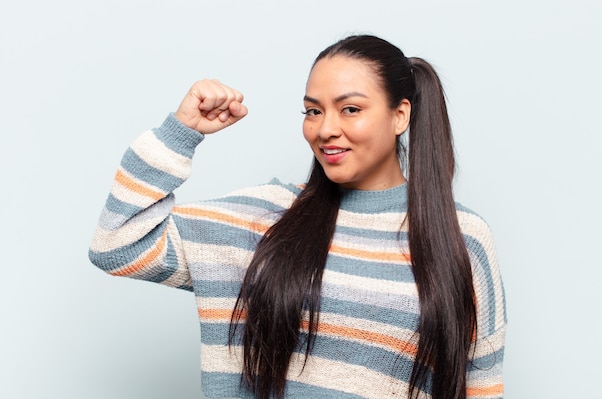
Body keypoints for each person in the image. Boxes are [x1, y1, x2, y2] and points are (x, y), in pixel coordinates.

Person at [89, 34, 506, 399]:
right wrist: (181, 131)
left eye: (350, 109)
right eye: (313, 111)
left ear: (400, 115)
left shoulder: (461, 237)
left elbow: (481, 384)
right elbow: (118, 244)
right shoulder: (267, 218)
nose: (325, 129)